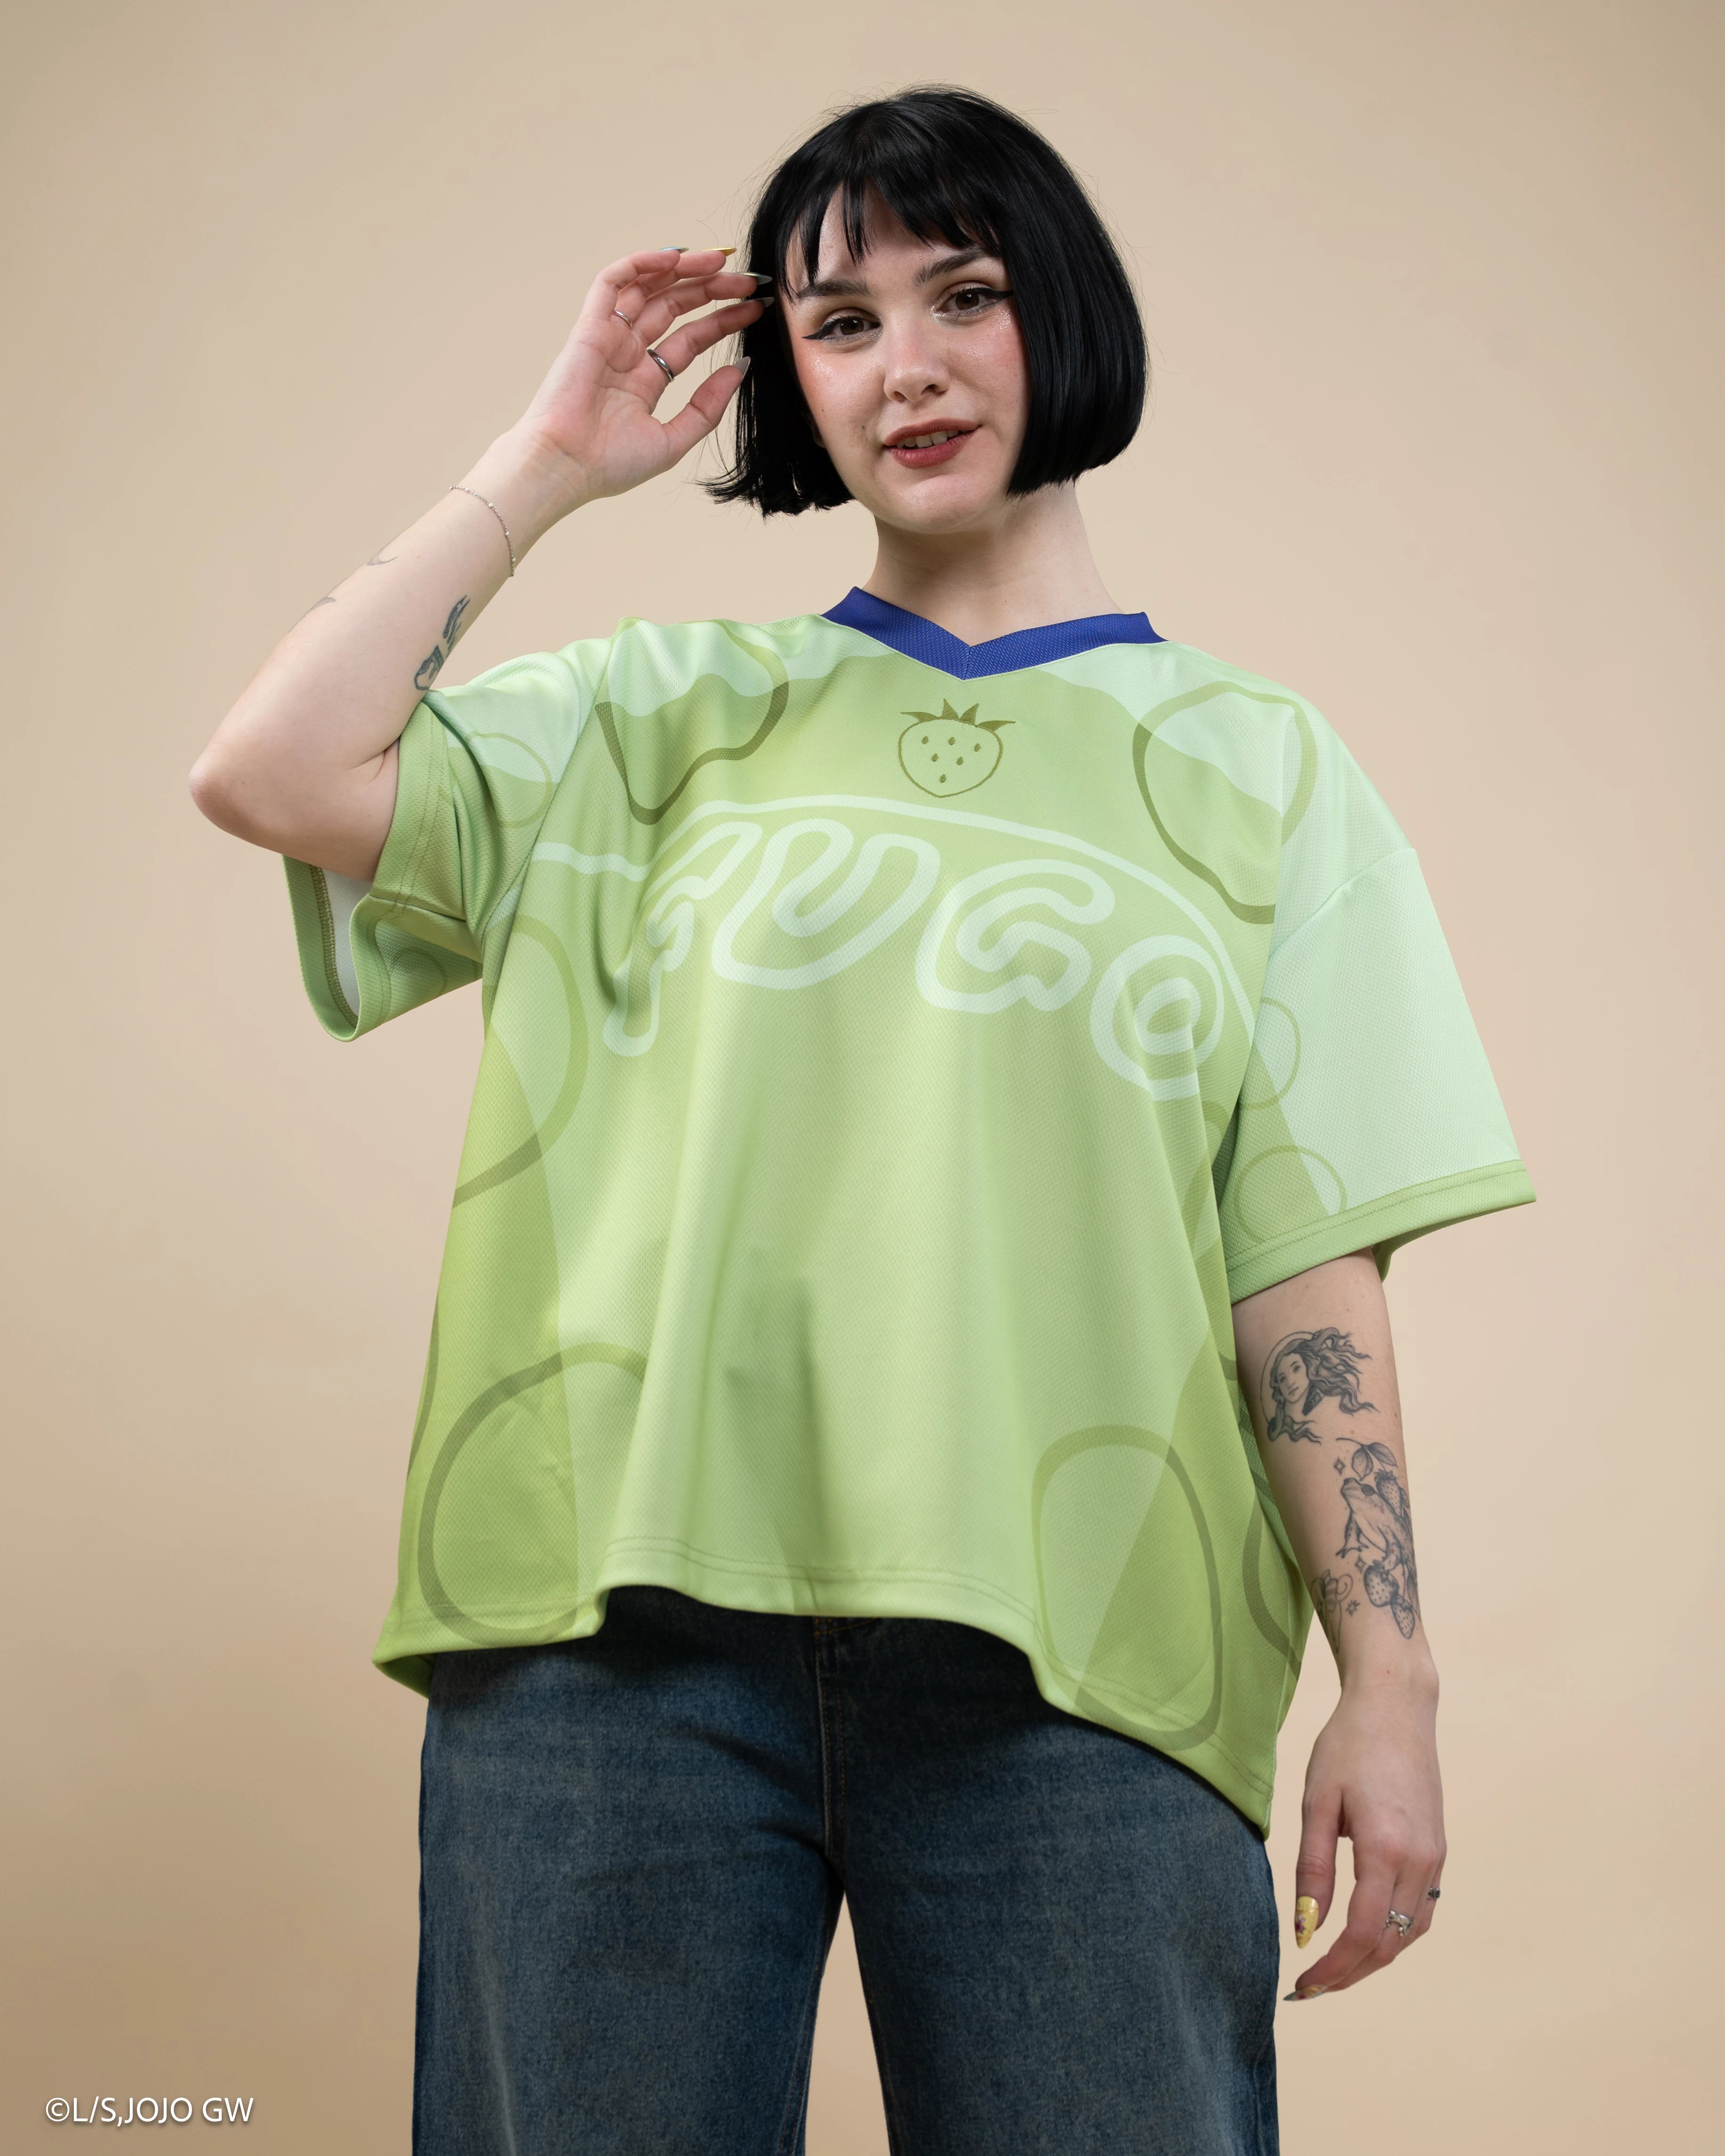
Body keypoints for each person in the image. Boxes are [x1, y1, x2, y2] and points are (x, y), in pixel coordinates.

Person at [190, 84, 1533, 2156]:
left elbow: (1301, 1265)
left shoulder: (1266, 773)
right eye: (837, 321)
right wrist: (544, 466)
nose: (903, 364)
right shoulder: (651, 715)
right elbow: (272, 769)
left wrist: (1393, 1678)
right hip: (613, 1640)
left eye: (962, 295)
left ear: (1060, 312)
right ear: (787, 381)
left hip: (1079, 1661)